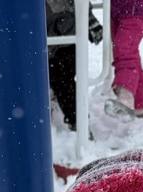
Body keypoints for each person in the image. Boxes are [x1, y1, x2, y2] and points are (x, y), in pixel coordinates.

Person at [46, 0, 104, 131]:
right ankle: (72, 116)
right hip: (46, 38)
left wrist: (90, 23)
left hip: (67, 38)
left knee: (64, 80)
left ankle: (77, 121)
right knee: (59, 79)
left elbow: (81, 4)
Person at [106, 1, 143, 119]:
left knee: (124, 50)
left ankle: (126, 95)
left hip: (135, 9)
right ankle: (139, 106)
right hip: (118, 10)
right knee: (127, 56)